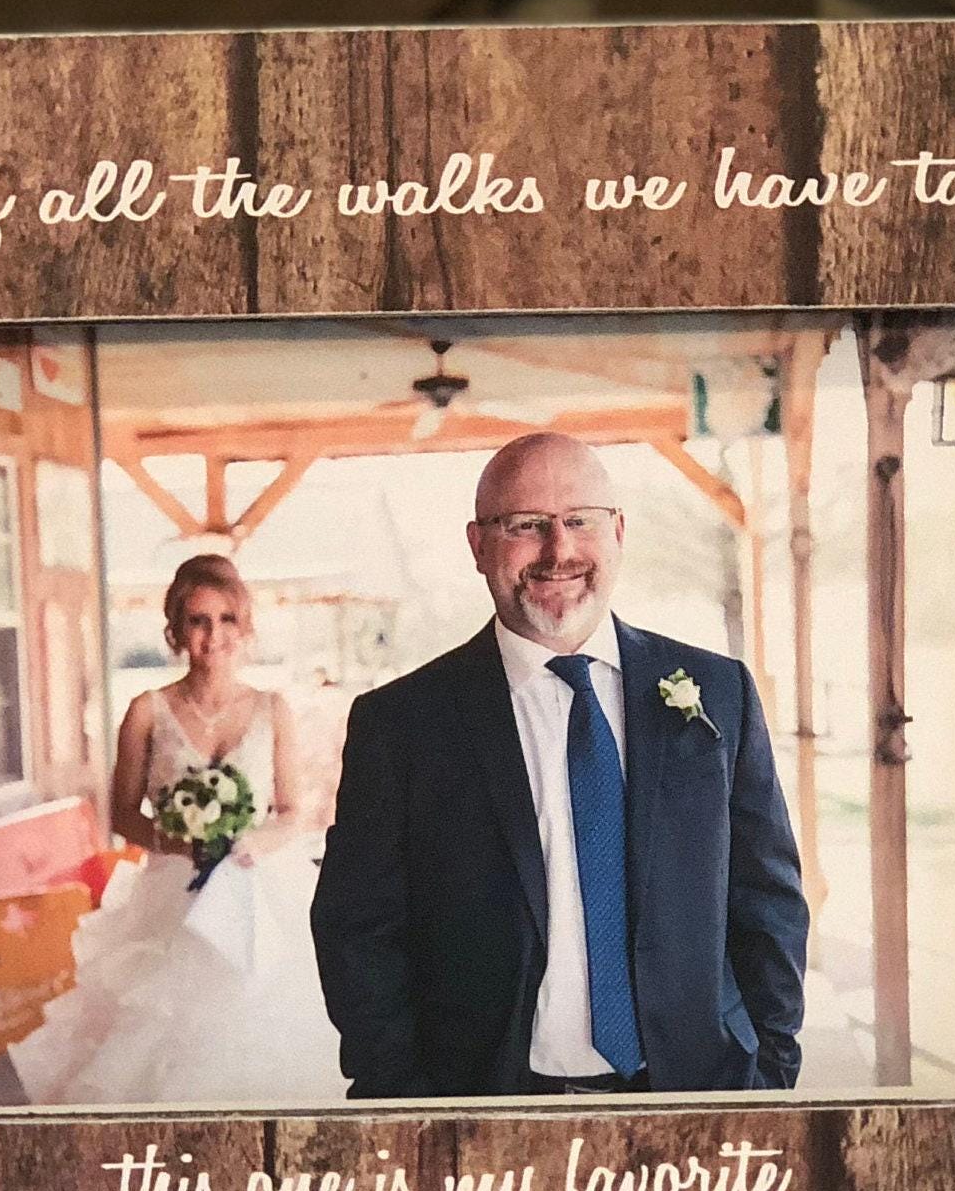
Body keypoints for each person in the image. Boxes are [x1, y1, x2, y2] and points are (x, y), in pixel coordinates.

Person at [311, 433, 808, 1099]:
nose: (558, 550)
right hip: (481, 1103)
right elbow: (358, 931)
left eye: (580, 520)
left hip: (697, 1093)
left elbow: (768, 901)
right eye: (525, 525)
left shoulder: (719, 693)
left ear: (619, 532)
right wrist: (402, 1092)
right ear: (478, 545)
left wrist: (770, 1069)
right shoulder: (402, 724)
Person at [8, 555, 345, 1107]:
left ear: (245, 626)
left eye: (227, 619)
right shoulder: (148, 710)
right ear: (176, 630)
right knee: (159, 1032)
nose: (214, 636)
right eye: (198, 621)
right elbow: (122, 814)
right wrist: (180, 843)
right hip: (173, 889)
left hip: (256, 886)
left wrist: (251, 843)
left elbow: (292, 812)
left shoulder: (272, 708)